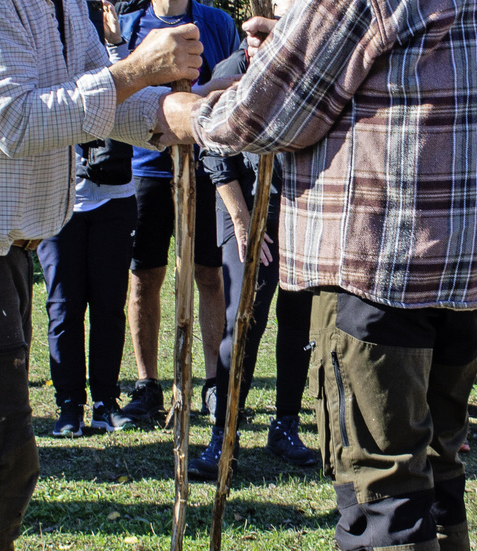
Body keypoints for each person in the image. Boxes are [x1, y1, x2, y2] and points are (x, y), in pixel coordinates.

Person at [160, 0, 477, 547]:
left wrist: (190, 115)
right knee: (435, 467)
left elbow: (270, 116)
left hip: (378, 264)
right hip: (460, 263)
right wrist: (292, 41)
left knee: (382, 487)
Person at [0, 0, 203, 547]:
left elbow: (97, 95)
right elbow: (19, 121)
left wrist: (177, 112)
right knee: (0, 455)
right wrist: (135, 70)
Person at [189, 8, 317, 481]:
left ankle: (285, 425)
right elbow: (214, 150)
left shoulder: (311, 64)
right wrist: (245, 221)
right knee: (244, 315)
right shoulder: (230, 73)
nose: (258, 31)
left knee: (297, 316)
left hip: (299, 206)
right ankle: (222, 434)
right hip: (240, 202)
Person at [118, 0, 239, 421]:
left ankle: (212, 385)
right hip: (146, 168)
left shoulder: (217, 23)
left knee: (209, 274)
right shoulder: (129, 24)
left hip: (204, 167)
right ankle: (147, 385)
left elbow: (234, 82)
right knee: (144, 276)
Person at [38, 0, 137, 438]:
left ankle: (104, 401)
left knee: (109, 306)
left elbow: (128, 87)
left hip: (114, 196)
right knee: (64, 306)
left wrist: (114, 40)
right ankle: (67, 406)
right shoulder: (43, 39)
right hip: (62, 201)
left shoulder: (95, 30)